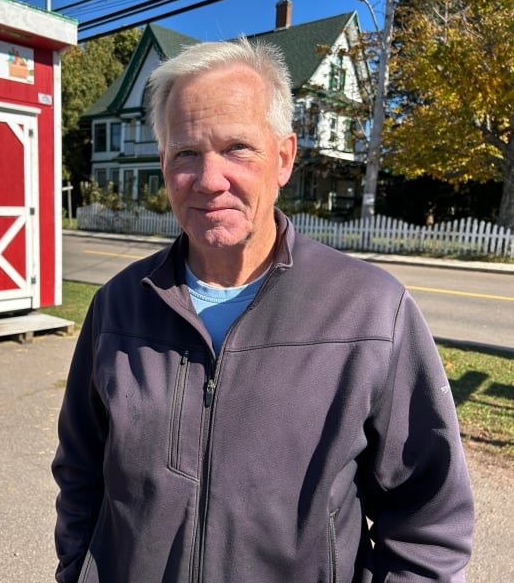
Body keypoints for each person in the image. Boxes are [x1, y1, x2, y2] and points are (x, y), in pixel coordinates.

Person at [52, 37, 474, 583]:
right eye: (185, 154)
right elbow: (82, 474)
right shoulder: (118, 305)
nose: (208, 180)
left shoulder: (370, 311)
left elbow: (428, 519)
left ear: (283, 157)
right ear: (162, 164)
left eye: (237, 149)